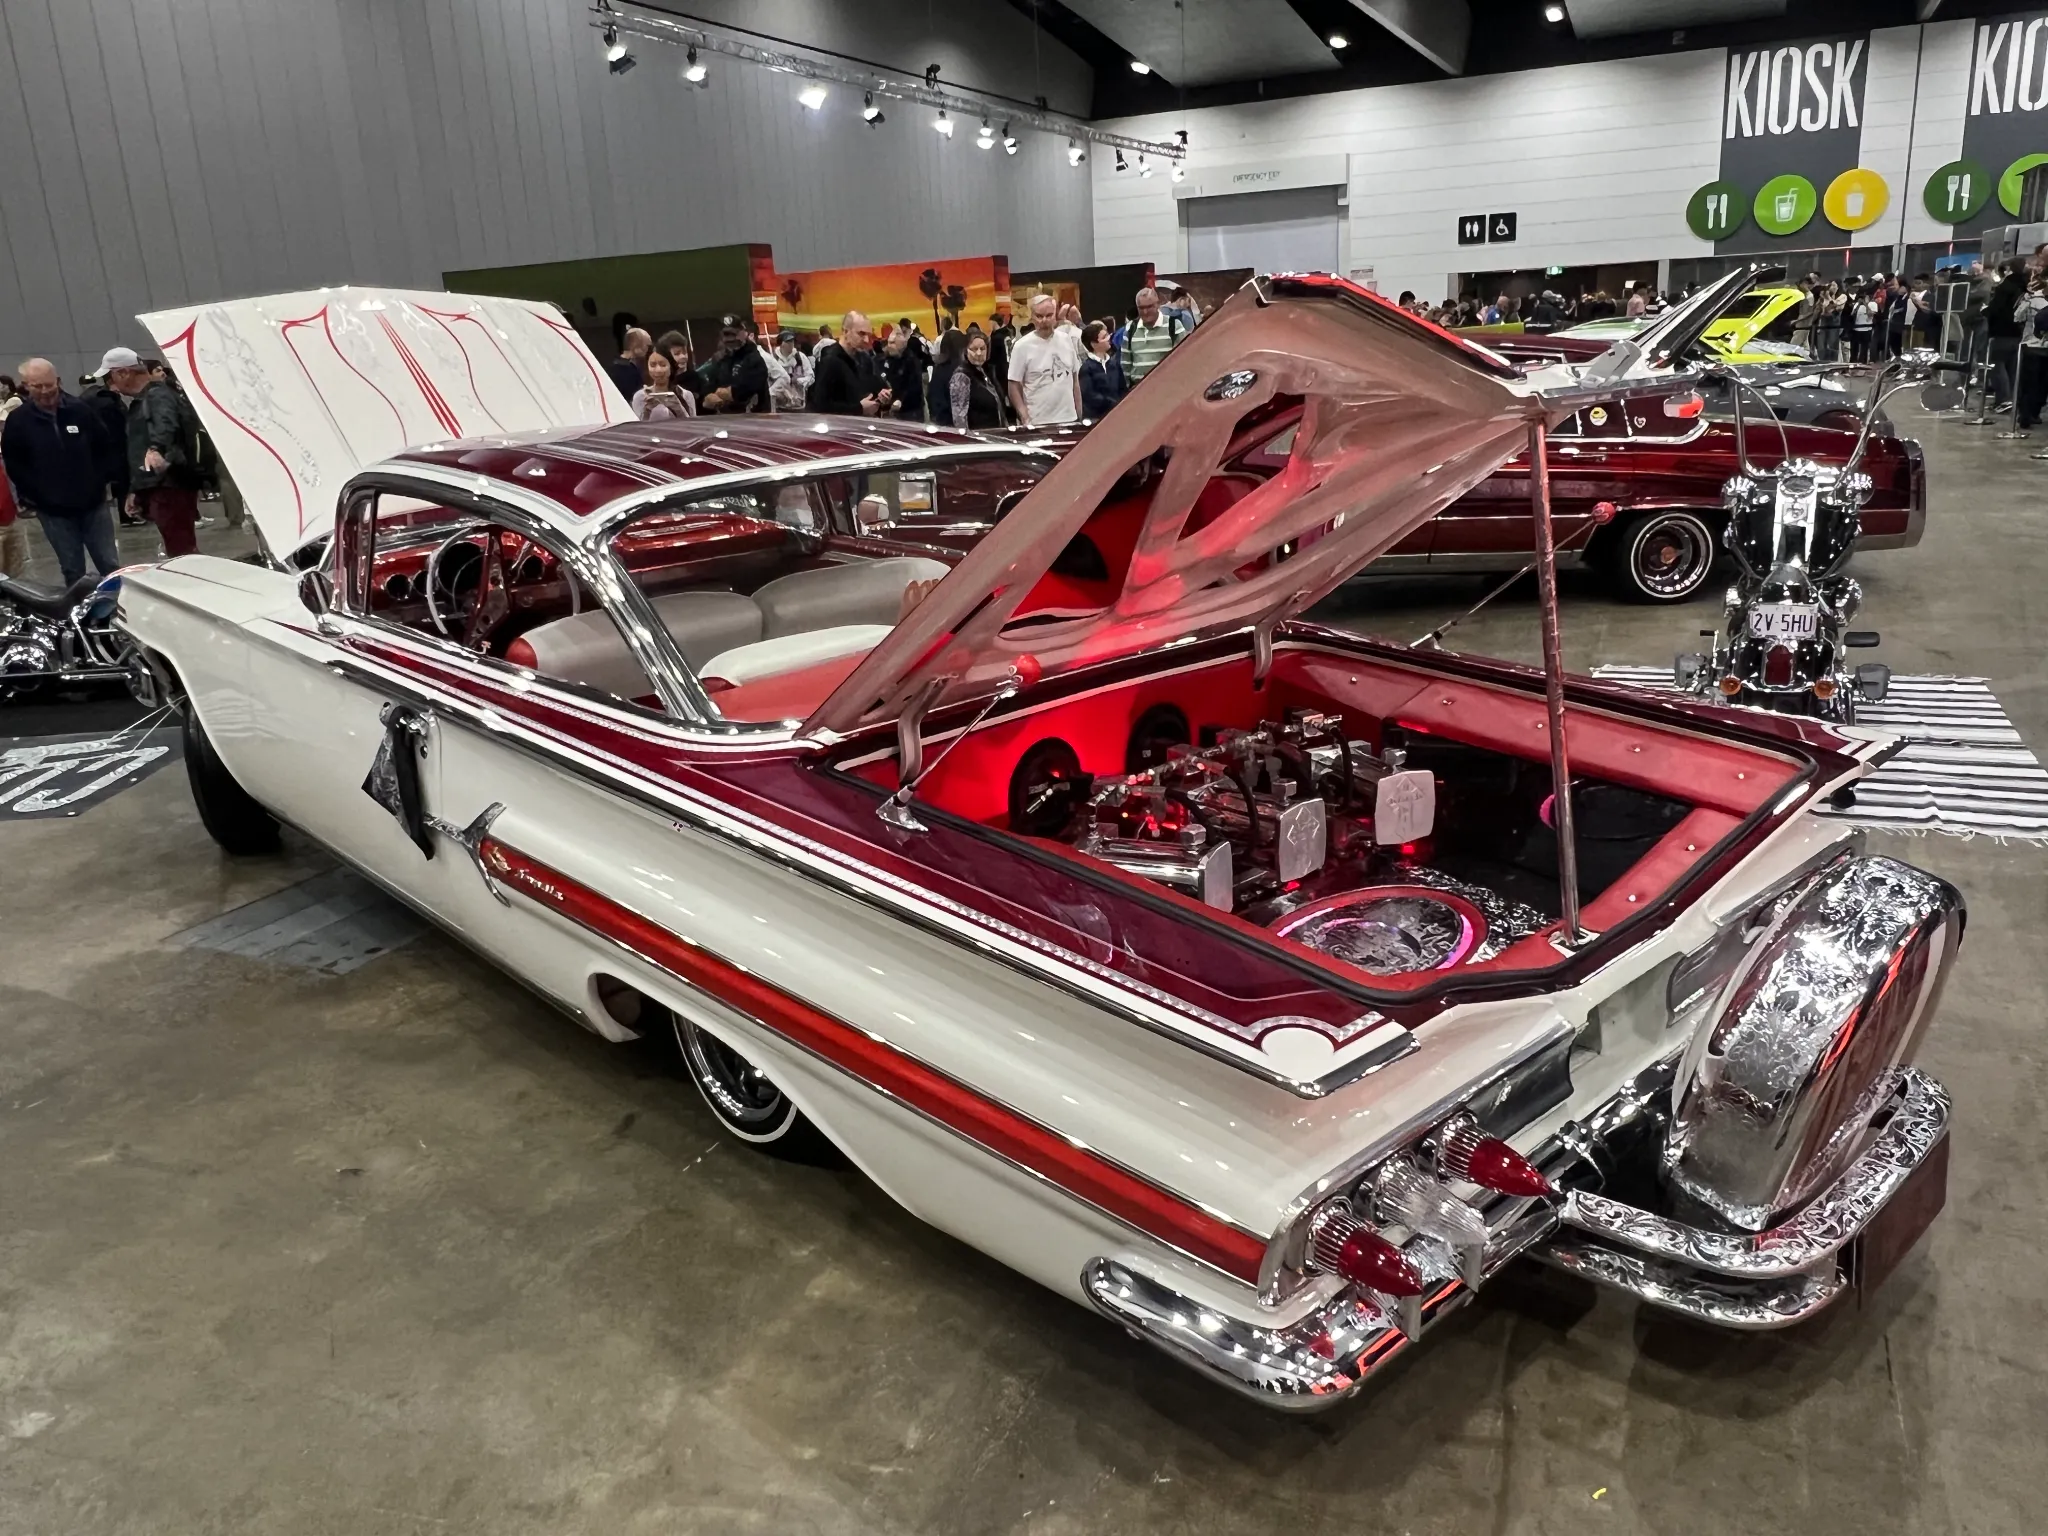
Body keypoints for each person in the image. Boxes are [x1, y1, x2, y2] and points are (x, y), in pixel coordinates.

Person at [0, 357, 121, 586]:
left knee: (109, 564)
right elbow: (15, 464)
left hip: (93, 504)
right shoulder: (19, 421)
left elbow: (104, 447)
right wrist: (37, 497)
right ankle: (81, 617)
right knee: (72, 568)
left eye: (49, 384)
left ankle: (120, 609)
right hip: (53, 511)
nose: (45, 391)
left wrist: (101, 483)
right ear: (26, 386)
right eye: (37, 386)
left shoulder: (81, 410)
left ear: (58, 380)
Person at [103, 347, 200, 557]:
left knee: (181, 548)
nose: (111, 384)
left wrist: (157, 448)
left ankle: (193, 584)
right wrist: (136, 489)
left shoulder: (157, 396)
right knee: (178, 545)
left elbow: (165, 425)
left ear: (123, 373)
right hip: (161, 485)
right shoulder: (149, 399)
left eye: (110, 377)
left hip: (169, 485)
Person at [1006, 293, 1080, 428]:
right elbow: (1013, 385)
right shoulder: (1021, 346)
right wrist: (1025, 417)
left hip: (1070, 419)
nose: (1044, 320)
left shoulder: (1066, 340)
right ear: (1032, 317)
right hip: (1038, 422)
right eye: (1039, 316)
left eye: (1049, 315)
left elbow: (1075, 379)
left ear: (1056, 315)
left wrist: (1079, 414)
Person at [809, 310, 890, 416]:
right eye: (861, 334)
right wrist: (858, 409)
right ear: (845, 331)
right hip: (841, 428)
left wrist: (883, 397)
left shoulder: (865, 359)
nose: (866, 340)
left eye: (868, 335)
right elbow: (820, 406)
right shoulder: (830, 361)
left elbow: (877, 388)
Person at [699, 316, 771, 414]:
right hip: (726, 419)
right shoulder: (720, 360)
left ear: (744, 334)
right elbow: (710, 384)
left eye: (734, 334)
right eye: (726, 335)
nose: (730, 339)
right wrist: (708, 396)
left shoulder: (754, 358)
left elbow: (752, 386)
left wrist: (732, 392)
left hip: (754, 419)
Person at [1118, 286, 1186, 389]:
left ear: (1158, 304)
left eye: (1149, 307)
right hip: (1138, 391)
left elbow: (1183, 360)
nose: (1145, 312)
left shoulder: (1174, 326)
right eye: (1141, 308)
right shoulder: (1130, 329)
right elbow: (1125, 365)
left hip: (1167, 389)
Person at [939, 330, 1005, 429]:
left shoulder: (986, 371)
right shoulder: (961, 376)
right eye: (974, 349)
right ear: (965, 350)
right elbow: (959, 419)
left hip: (994, 435)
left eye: (982, 349)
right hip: (977, 439)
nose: (979, 353)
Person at [1985, 264, 2029, 411]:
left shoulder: (2005, 287)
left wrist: (1986, 311)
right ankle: (2014, 399)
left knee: (1996, 365)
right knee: (2013, 368)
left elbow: (1996, 308)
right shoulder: (2026, 286)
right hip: (2019, 331)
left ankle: (2003, 399)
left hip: (2001, 330)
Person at [632, 348, 695, 420]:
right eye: (652, 365)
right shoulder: (640, 397)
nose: (658, 370)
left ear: (671, 367)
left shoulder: (686, 395)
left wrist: (679, 409)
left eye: (663, 365)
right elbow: (638, 428)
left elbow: (694, 426)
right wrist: (647, 411)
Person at [1079, 321, 1125, 418]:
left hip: (1117, 414)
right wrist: (1111, 403)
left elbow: (1122, 388)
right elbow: (1090, 396)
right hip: (1097, 418)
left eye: (1107, 335)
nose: (1109, 338)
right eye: (1104, 337)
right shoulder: (1086, 368)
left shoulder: (1114, 364)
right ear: (1093, 344)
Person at [881, 327, 926, 424]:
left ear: (901, 345)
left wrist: (901, 400)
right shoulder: (884, 359)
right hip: (890, 410)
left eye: (893, 343)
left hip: (910, 411)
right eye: (889, 342)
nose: (889, 346)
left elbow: (914, 386)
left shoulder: (912, 361)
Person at [770, 330, 810, 412]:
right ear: (781, 344)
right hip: (779, 406)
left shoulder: (800, 357)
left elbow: (811, 376)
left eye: (792, 341)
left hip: (798, 406)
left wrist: (800, 381)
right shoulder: (773, 359)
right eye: (788, 342)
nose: (791, 344)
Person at [607, 327, 650, 400]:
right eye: (647, 345)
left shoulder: (610, 369)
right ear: (635, 345)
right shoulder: (629, 372)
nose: (648, 349)